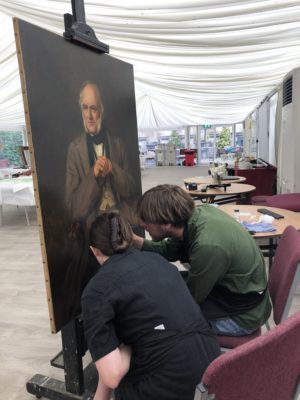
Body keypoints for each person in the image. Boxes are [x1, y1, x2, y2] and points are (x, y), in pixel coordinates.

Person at [81, 211, 220, 400]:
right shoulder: (157, 260)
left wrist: (128, 346)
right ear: (129, 238)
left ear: (94, 250)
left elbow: (112, 376)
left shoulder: (96, 291)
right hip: (211, 365)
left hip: (169, 380)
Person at [132, 184, 272, 337]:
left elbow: (192, 300)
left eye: (146, 220)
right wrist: (133, 240)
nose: (141, 224)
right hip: (233, 292)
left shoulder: (208, 246)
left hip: (241, 318)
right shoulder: (198, 215)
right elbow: (168, 250)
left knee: (159, 324)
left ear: (166, 223)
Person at [65, 80, 139, 227]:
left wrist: (113, 169)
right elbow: (74, 208)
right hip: (93, 222)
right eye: (85, 108)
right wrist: (93, 174)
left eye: (94, 108)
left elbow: (131, 190)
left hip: (121, 216)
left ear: (101, 110)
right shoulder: (75, 149)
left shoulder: (118, 144)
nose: (89, 116)